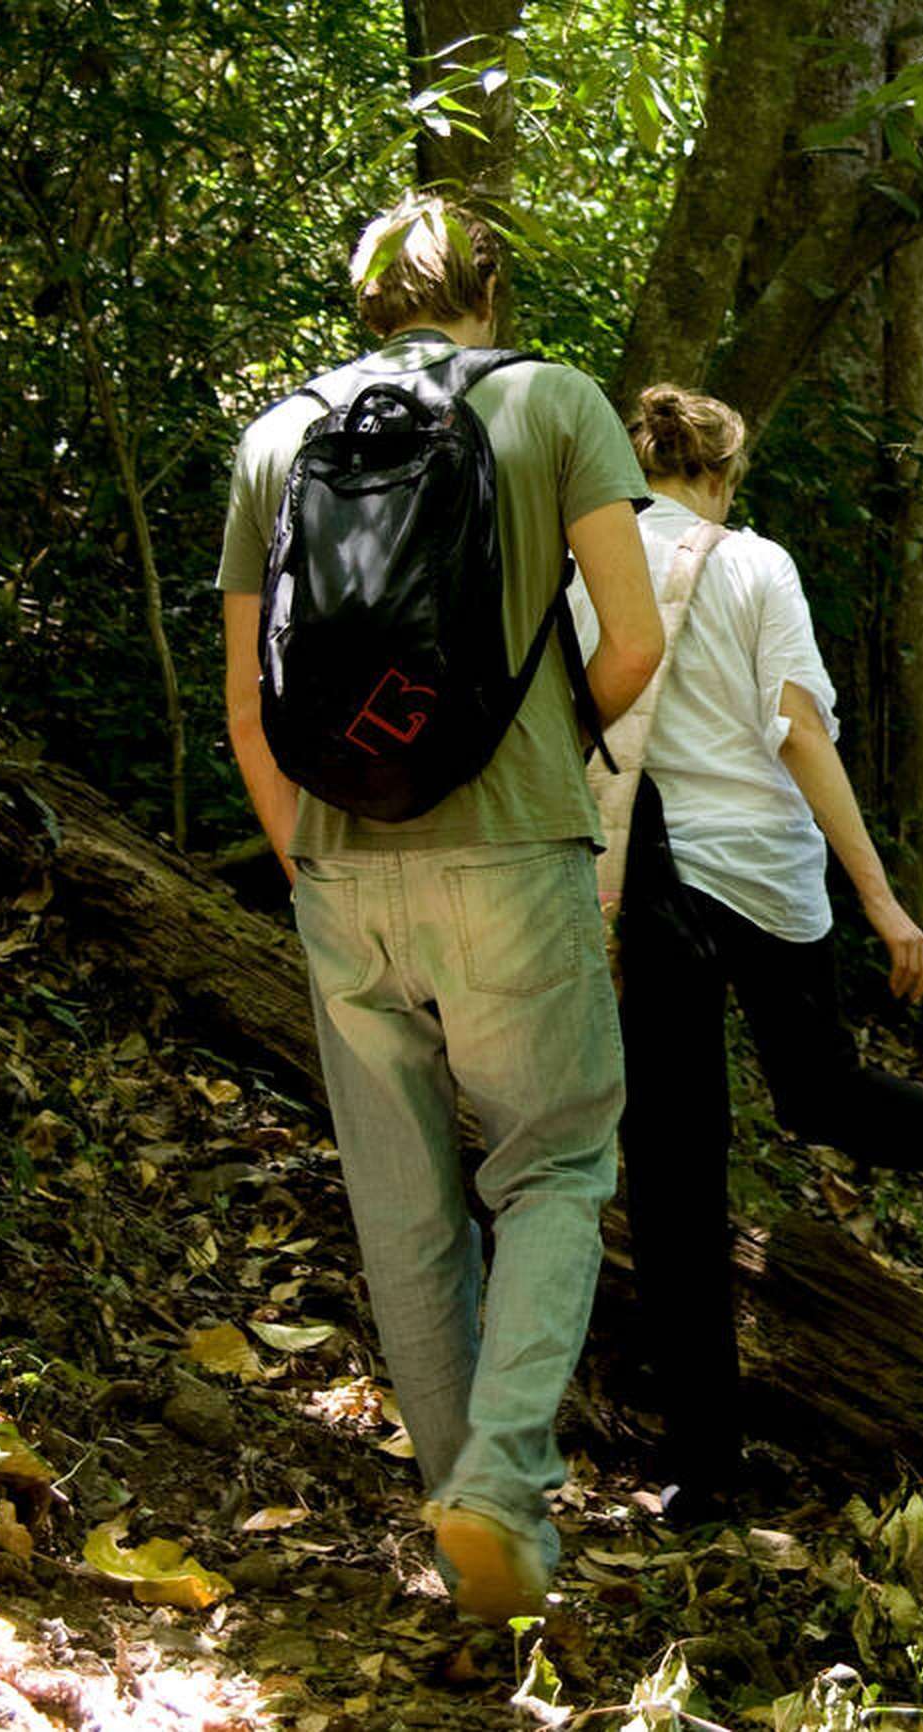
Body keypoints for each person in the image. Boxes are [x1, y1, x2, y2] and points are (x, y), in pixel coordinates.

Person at [217, 193, 664, 1622]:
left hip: (343, 866)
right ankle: (501, 1482)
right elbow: (635, 638)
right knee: (554, 1167)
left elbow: (249, 707)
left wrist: (306, 858)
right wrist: (540, 749)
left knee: (404, 1206)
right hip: (516, 851)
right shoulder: (555, 402)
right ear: (490, 289)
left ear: (366, 298)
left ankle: (461, 1519)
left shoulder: (279, 437)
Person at [587, 384, 923, 1513]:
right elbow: (798, 730)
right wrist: (881, 899)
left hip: (647, 876)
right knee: (823, 1096)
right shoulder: (756, 564)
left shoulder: (588, 560)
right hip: (761, 871)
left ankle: (703, 1470)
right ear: (723, 472)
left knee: (673, 1170)